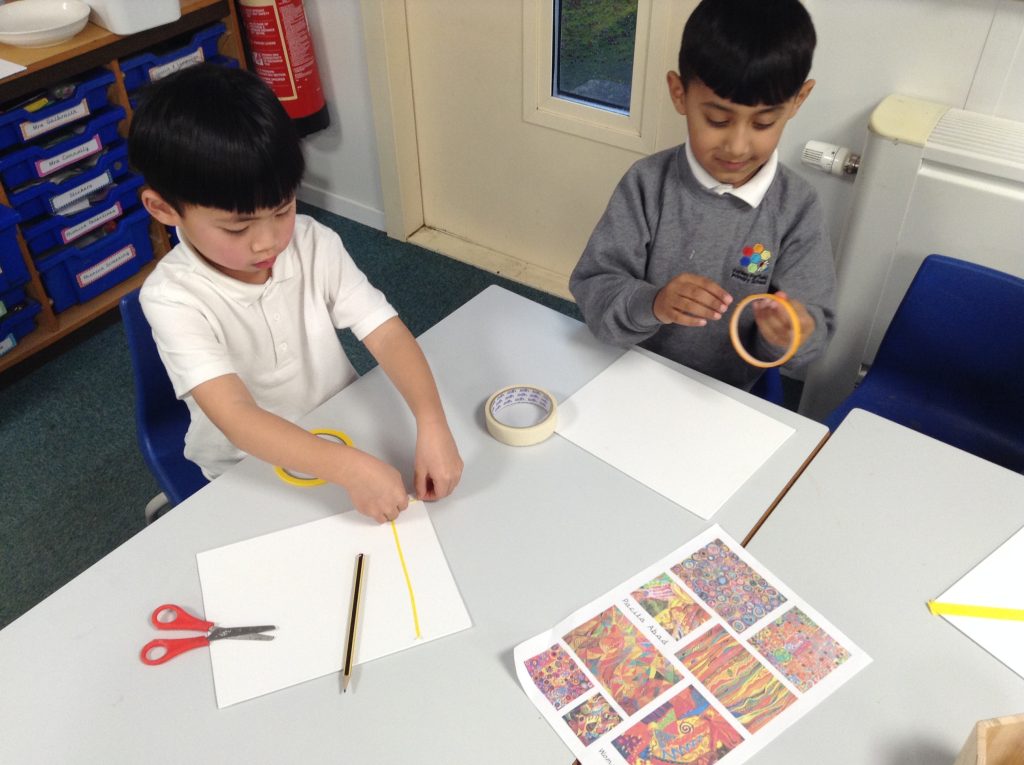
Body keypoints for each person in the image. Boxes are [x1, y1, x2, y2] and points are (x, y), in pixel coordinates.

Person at [129, 64, 462, 523]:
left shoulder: (313, 242)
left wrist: (432, 422)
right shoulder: (171, 297)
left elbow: (385, 332)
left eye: (283, 209)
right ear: (164, 209)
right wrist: (348, 468)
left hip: (339, 427)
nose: (268, 242)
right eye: (238, 228)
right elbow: (236, 416)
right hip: (244, 466)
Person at [569, 0, 835, 392]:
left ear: (799, 100)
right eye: (717, 120)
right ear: (679, 94)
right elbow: (595, 287)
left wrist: (789, 332)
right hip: (628, 372)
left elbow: (812, 334)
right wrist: (654, 302)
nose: (738, 146)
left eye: (764, 123)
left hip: (725, 394)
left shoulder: (796, 207)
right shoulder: (647, 184)